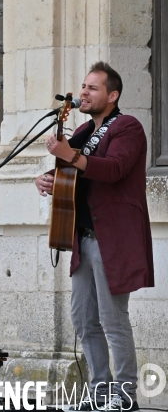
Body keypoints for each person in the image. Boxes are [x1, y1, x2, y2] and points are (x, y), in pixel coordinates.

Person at [35, 62, 154, 412]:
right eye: (83, 87)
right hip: (82, 239)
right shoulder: (86, 130)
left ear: (112, 95)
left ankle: (125, 394)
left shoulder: (128, 127)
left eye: (93, 88)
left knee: (113, 320)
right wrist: (46, 177)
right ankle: (100, 393)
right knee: (83, 321)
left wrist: (67, 154)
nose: (83, 93)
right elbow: (68, 169)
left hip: (112, 241)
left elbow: (114, 169)